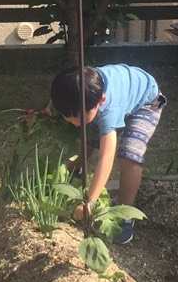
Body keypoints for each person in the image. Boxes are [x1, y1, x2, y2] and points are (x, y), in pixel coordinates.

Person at [49, 63, 165, 245]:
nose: (75, 122)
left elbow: (107, 156)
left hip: (146, 101)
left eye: (79, 117)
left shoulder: (109, 110)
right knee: (89, 137)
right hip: (120, 93)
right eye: (68, 116)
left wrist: (90, 201)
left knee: (129, 155)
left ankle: (125, 215)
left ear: (101, 101)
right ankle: (74, 169)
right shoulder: (77, 91)